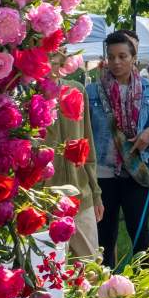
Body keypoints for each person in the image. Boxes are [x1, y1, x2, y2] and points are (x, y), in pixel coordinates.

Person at [87, 30, 149, 268]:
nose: (116, 62)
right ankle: (105, 295)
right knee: (104, 238)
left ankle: (145, 297)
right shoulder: (91, 92)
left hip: (136, 171)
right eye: (111, 57)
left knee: (140, 235)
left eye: (122, 56)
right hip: (103, 174)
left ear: (133, 57)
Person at [45, 50, 104, 256]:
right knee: (49, 272)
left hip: (81, 196)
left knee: (91, 267)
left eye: (53, 59)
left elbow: (87, 144)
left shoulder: (77, 90)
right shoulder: (27, 99)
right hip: (45, 199)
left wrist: (95, 193)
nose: (49, 66)